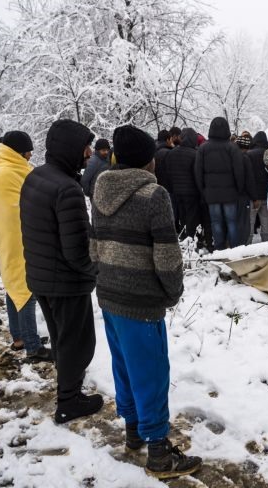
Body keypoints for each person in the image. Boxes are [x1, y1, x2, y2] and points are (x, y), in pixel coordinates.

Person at [91, 124, 202, 479]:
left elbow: (94, 244)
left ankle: (134, 432)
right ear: (148, 162)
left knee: (125, 365)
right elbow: (167, 255)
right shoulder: (155, 196)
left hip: (109, 294)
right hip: (141, 299)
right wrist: (172, 291)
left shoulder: (99, 188)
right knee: (152, 372)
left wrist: (102, 277)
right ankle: (158, 454)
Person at [20, 119, 102, 424]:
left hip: (42, 277)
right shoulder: (67, 189)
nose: (90, 153)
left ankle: (70, 393)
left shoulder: (36, 177)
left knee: (61, 340)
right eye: (85, 147)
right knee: (76, 344)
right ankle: (68, 403)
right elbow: (77, 250)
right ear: (71, 149)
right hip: (66, 282)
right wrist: (96, 271)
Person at [0, 131, 52, 361]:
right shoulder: (9, 172)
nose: (30, 156)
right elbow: (21, 209)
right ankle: (32, 346)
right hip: (19, 238)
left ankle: (19, 338)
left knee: (13, 288)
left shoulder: (0, 168)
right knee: (25, 288)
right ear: (19, 151)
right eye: (28, 151)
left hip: (10, 237)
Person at [194, 117, 244, 250]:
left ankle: (219, 249)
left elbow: (198, 172)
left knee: (216, 222)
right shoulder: (232, 148)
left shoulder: (203, 148)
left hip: (211, 193)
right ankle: (235, 250)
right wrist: (238, 189)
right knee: (232, 222)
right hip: (230, 193)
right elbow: (239, 171)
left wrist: (203, 191)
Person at [166, 128, 203, 242]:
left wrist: (172, 188)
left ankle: (183, 236)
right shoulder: (195, 154)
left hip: (177, 192)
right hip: (192, 192)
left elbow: (168, 172)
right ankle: (191, 239)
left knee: (182, 216)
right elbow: (197, 174)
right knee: (192, 217)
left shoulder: (172, 153)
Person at [245, 131, 268, 242]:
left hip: (252, 196)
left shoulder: (248, 154)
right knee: (266, 222)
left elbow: (246, 176)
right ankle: (266, 245)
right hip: (266, 195)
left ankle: (247, 245)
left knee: (250, 222)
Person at [235, 134, 259, 244]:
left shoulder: (230, 155)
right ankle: (242, 244)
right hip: (243, 195)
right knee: (243, 222)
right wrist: (254, 198)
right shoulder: (245, 158)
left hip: (229, 194)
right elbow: (249, 180)